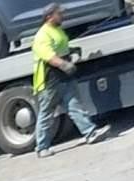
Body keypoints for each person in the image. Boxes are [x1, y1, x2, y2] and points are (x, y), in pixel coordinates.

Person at [32, 4, 110, 153]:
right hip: (50, 81)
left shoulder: (57, 30)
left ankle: (90, 133)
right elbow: (49, 57)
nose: (62, 15)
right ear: (49, 17)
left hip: (63, 78)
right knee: (47, 114)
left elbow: (60, 47)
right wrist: (65, 65)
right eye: (59, 13)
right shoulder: (42, 35)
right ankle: (42, 147)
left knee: (74, 106)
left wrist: (71, 50)